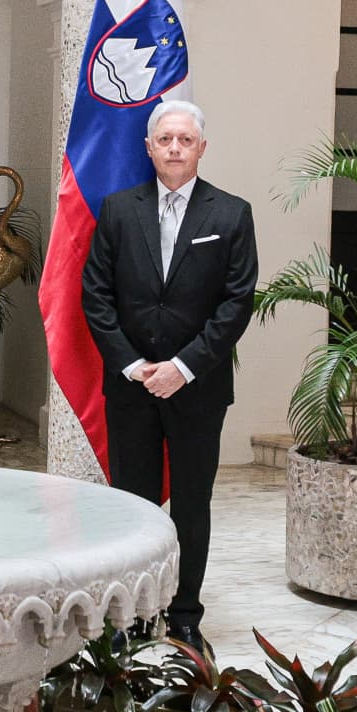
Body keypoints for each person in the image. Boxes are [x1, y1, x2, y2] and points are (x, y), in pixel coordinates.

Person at [81, 99, 258, 647]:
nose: (175, 148)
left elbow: (236, 303)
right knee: (131, 505)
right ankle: (132, 617)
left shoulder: (231, 214)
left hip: (198, 388)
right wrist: (134, 365)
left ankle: (184, 617)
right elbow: (95, 295)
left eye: (185, 140)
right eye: (165, 140)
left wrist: (183, 368)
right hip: (131, 388)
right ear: (149, 148)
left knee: (191, 504)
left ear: (202, 148)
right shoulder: (117, 210)